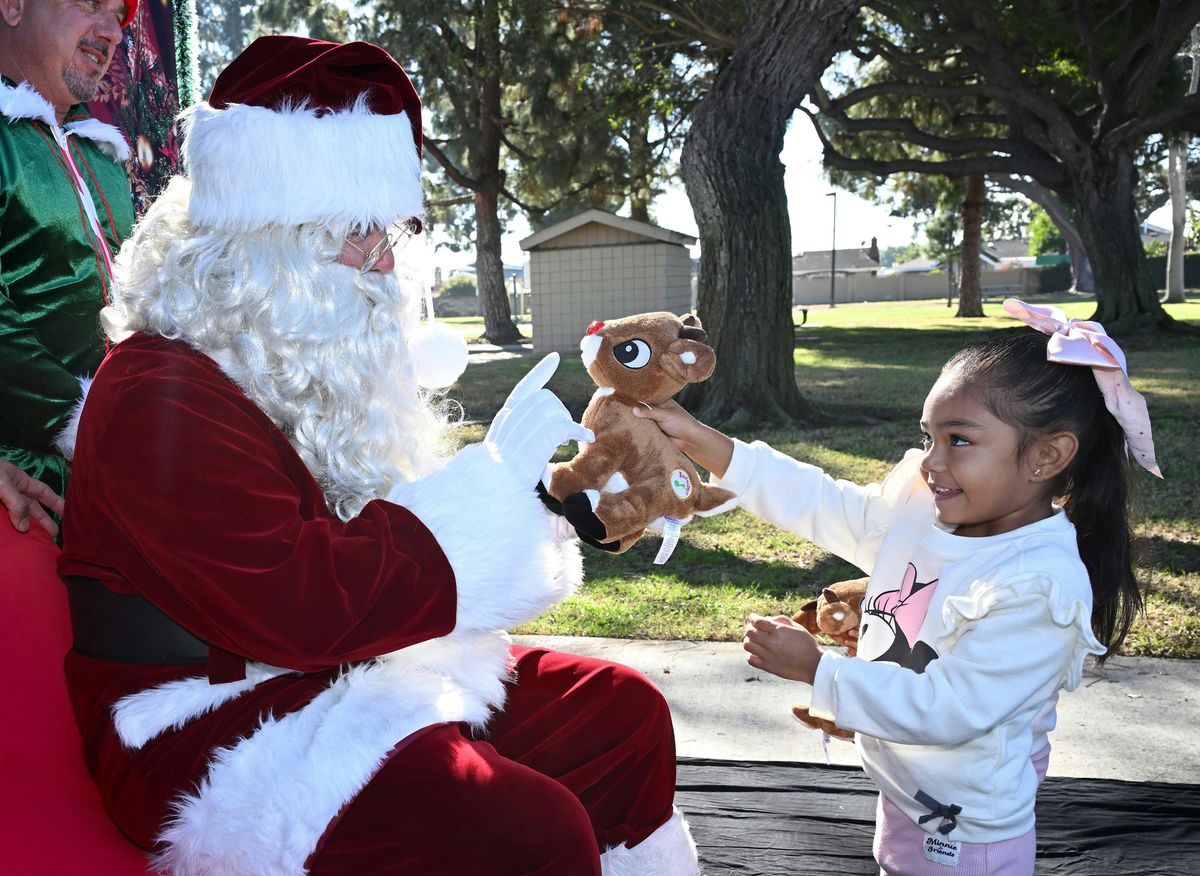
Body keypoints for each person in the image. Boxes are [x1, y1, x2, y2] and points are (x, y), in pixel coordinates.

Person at [57, 35, 699, 876]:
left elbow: (371, 537)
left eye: (388, 229)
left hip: (342, 662)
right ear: (268, 240)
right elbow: (294, 602)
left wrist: (545, 496)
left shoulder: (281, 358)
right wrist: (482, 516)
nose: (387, 260)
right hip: (205, 723)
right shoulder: (157, 393)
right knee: (518, 829)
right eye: (359, 232)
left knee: (621, 713)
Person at [633, 298, 1159, 875]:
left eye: (959, 439)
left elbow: (949, 710)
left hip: (971, 826)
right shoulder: (921, 510)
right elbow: (823, 504)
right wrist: (700, 439)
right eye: (928, 436)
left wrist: (818, 669)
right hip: (907, 788)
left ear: (1047, 455)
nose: (932, 462)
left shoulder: (1037, 586)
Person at [0, 0, 138, 530]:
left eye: (119, 16)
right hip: (28, 485)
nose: (111, 32)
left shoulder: (104, 155)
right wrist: (77, 421)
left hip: (126, 475)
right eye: (91, 3)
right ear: (13, 7)